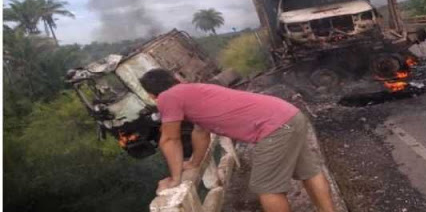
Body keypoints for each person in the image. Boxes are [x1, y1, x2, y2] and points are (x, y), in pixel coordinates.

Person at [139, 68, 335, 212]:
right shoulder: (193, 90)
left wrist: (175, 180)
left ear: (150, 94)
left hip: (275, 128)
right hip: (289, 115)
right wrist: (194, 163)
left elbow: (170, 139)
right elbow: (201, 132)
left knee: (267, 188)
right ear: (174, 78)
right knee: (309, 172)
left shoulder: (167, 97)